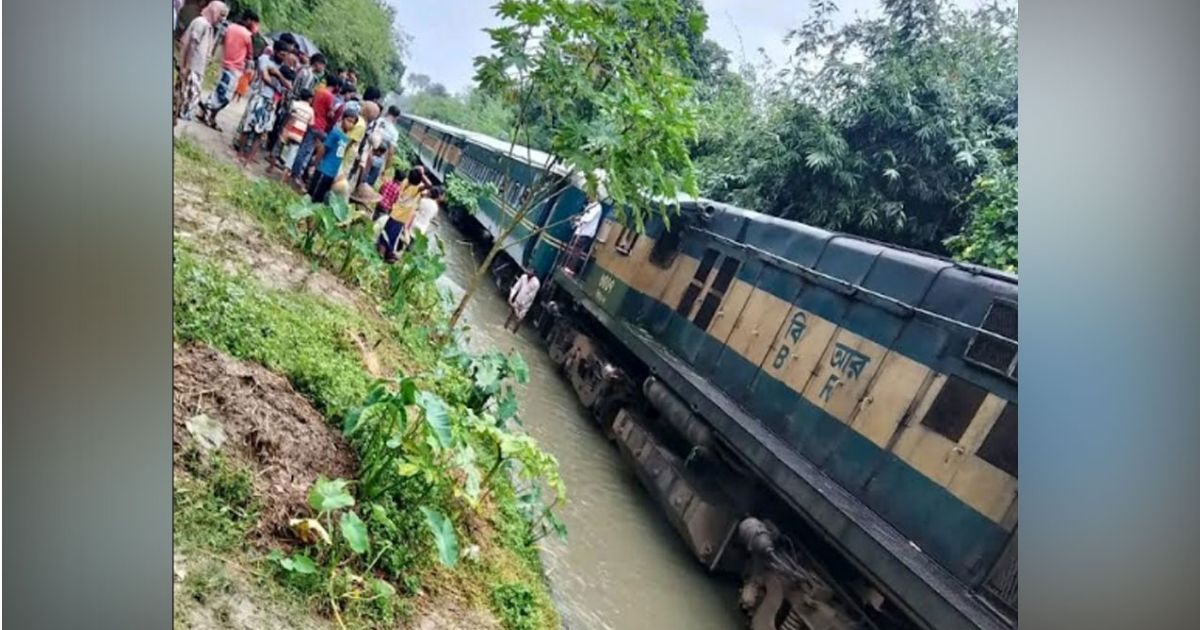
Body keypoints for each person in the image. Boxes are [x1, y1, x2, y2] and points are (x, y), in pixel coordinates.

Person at [198, 9, 258, 131]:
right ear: (249, 20)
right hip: (235, 69)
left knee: (219, 90)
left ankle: (204, 114)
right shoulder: (247, 35)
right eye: (254, 22)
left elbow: (222, 42)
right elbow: (250, 55)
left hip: (224, 64)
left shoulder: (230, 28)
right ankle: (209, 110)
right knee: (225, 97)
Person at [235, 44, 292, 164]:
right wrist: (278, 85)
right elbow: (265, 77)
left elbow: (289, 86)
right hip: (260, 96)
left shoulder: (284, 68)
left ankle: (249, 159)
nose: (284, 57)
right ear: (275, 51)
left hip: (271, 102)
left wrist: (277, 75)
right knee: (248, 126)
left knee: (261, 132)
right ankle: (240, 154)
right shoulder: (265, 60)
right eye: (282, 54)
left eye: (286, 55)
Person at [174, 2, 228, 126]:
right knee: (186, 98)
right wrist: (185, 66)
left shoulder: (208, 26)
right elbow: (190, 44)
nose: (222, 18)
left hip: (196, 69)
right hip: (191, 68)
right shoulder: (201, 23)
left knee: (185, 98)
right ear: (214, 11)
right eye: (221, 14)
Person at [290, 76, 343, 186]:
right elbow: (330, 114)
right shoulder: (329, 97)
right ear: (336, 86)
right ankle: (298, 174)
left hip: (312, 121)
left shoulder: (318, 90)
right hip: (320, 125)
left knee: (304, 148)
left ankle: (294, 172)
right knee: (309, 151)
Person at [374, 168, 427, 263]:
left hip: (394, 213)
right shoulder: (416, 189)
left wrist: (418, 173)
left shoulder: (405, 182)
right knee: (390, 238)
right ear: (419, 180)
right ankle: (381, 257)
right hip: (401, 218)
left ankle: (383, 255)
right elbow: (429, 185)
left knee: (386, 236)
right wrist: (422, 175)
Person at [309, 110, 359, 203]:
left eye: (353, 123)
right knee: (313, 196)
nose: (350, 124)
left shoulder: (346, 138)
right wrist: (317, 162)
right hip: (324, 169)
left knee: (320, 198)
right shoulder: (335, 133)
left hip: (332, 173)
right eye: (348, 121)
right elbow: (324, 148)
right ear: (342, 119)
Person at [273, 89, 314, 180]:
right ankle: (283, 177)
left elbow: (288, 115)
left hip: (289, 128)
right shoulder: (311, 110)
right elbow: (311, 124)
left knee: (279, 147)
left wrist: (283, 126)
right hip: (299, 133)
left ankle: (271, 167)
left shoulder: (294, 104)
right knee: (292, 154)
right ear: (309, 99)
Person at [563, 193, 602, 276]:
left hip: (586, 232)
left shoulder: (597, 207)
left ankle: (570, 268)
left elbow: (587, 218)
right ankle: (567, 265)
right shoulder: (591, 205)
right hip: (582, 230)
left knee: (577, 250)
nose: (588, 198)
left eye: (590, 196)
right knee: (574, 249)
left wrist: (578, 218)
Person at [506, 268, 541, 332]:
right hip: (518, 299)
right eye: (528, 271)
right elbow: (516, 287)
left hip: (526, 304)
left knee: (519, 319)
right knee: (510, 314)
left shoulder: (536, 283)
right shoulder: (523, 277)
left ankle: (514, 331)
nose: (528, 273)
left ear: (534, 274)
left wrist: (523, 303)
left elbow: (531, 296)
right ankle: (505, 327)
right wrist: (511, 297)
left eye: (531, 272)